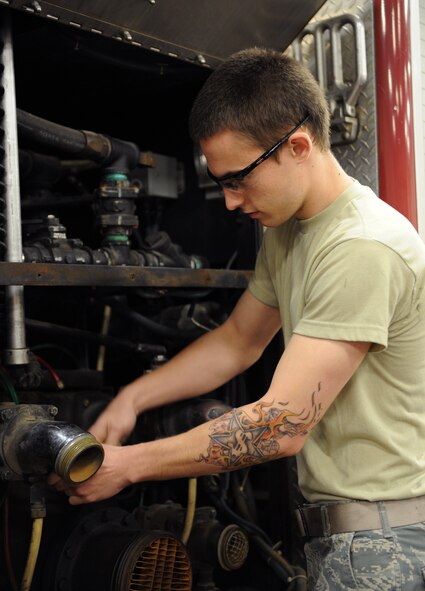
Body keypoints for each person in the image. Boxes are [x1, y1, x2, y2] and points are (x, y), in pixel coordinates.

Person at [50, 48, 425, 589]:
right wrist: (132, 398)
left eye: (239, 179)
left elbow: (281, 425)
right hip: (350, 535)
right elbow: (237, 341)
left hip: (383, 543)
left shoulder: (361, 246)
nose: (228, 202)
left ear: (298, 147)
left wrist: (129, 464)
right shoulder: (290, 231)